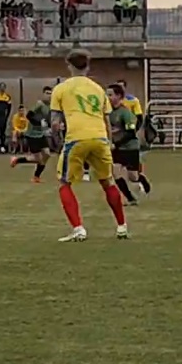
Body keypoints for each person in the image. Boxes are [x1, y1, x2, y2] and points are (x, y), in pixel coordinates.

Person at [51, 50, 129, 242]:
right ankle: (121, 226)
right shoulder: (98, 89)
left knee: (64, 183)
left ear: (69, 65)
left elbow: (54, 123)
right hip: (100, 138)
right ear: (87, 66)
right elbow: (106, 119)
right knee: (107, 181)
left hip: (76, 138)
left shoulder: (61, 88)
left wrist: (58, 140)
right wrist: (109, 141)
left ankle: (78, 228)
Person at [107, 84, 146, 205]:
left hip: (130, 147)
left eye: (110, 95)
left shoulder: (125, 113)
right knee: (115, 172)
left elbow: (131, 133)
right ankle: (130, 198)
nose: (107, 97)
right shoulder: (107, 113)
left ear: (119, 96)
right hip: (117, 148)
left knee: (132, 177)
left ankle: (142, 180)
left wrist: (116, 143)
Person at [10, 87, 53, 183]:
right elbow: (29, 115)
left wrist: (49, 126)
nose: (48, 95)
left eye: (50, 93)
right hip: (32, 135)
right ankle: (17, 160)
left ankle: (36, 177)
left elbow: (47, 118)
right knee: (37, 159)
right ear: (43, 94)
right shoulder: (39, 104)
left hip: (40, 134)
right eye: (47, 93)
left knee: (47, 154)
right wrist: (39, 122)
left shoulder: (50, 106)